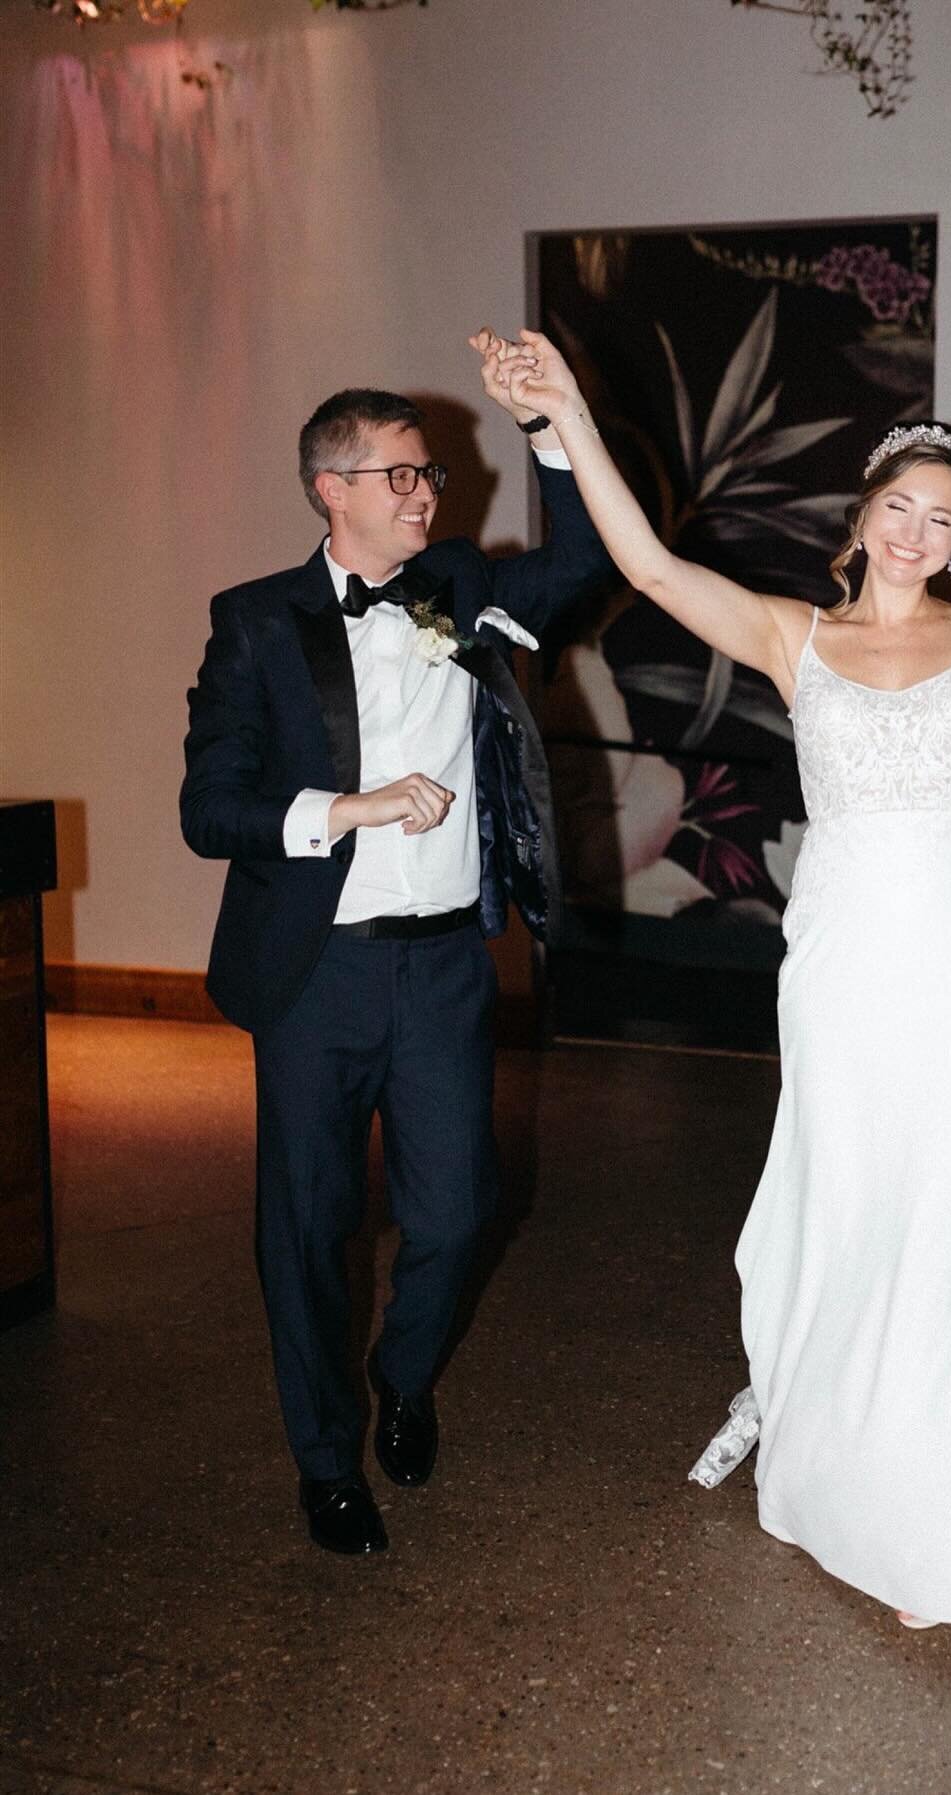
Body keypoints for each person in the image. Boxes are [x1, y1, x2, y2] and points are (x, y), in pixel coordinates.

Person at [496, 329, 951, 1627]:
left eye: (942, 518)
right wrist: (566, 405)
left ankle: (918, 1527)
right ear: (862, 517)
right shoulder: (795, 635)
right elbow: (648, 563)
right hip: (848, 959)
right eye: (898, 507)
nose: (916, 532)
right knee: (852, 1201)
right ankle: (807, 1416)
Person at [180, 344, 610, 1555]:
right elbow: (207, 809)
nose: (426, 494)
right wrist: (345, 810)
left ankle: (404, 1374)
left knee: (459, 1212)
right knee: (308, 1228)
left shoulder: (459, 587)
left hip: (442, 970)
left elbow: (582, 561)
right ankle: (325, 1458)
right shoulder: (256, 623)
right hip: (316, 973)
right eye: (403, 475)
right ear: (333, 487)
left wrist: (547, 426)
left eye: (429, 474)